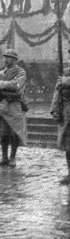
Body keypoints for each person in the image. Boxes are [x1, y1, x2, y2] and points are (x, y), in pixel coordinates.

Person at [0, 49, 28, 168]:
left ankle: (13, 157)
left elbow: (16, 85)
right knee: (3, 134)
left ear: (15, 60)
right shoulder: (0, 74)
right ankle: (4, 157)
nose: (6, 59)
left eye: (9, 57)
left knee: (14, 133)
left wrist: (0, 84)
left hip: (14, 105)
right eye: (5, 57)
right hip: (2, 106)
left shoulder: (20, 72)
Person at [50, 51, 70, 184]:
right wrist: (55, 109)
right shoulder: (66, 72)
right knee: (68, 146)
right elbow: (58, 92)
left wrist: (66, 81)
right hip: (67, 112)